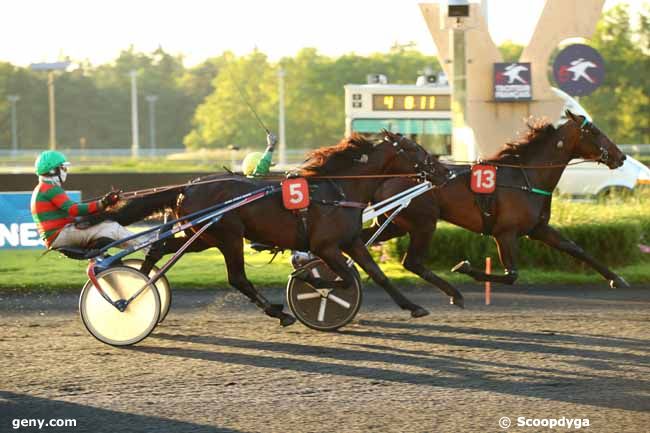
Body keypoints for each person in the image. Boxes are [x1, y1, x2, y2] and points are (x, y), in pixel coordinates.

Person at [30, 150, 142, 251]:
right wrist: (103, 203)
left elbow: (71, 209)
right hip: (60, 235)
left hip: (58, 235)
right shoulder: (51, 189)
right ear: (53, 170)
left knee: (104, 225)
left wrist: (101, 205)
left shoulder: (43, 188)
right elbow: (73, 209)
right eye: (63, 167)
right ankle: (145, 245)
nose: (65, 171)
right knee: (111, 228)